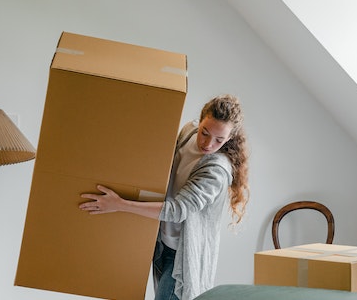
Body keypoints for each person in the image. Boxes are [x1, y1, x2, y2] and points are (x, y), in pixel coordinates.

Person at [79, 94, 250, 300]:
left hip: (182, 255)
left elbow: (177, 211)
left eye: (219, 140)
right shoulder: (188, 132)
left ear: (229, 138)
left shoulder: (216, 170)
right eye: (205, 133)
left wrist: (119, 204)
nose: (208, 143)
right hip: (161, 242)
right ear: (200, 120)